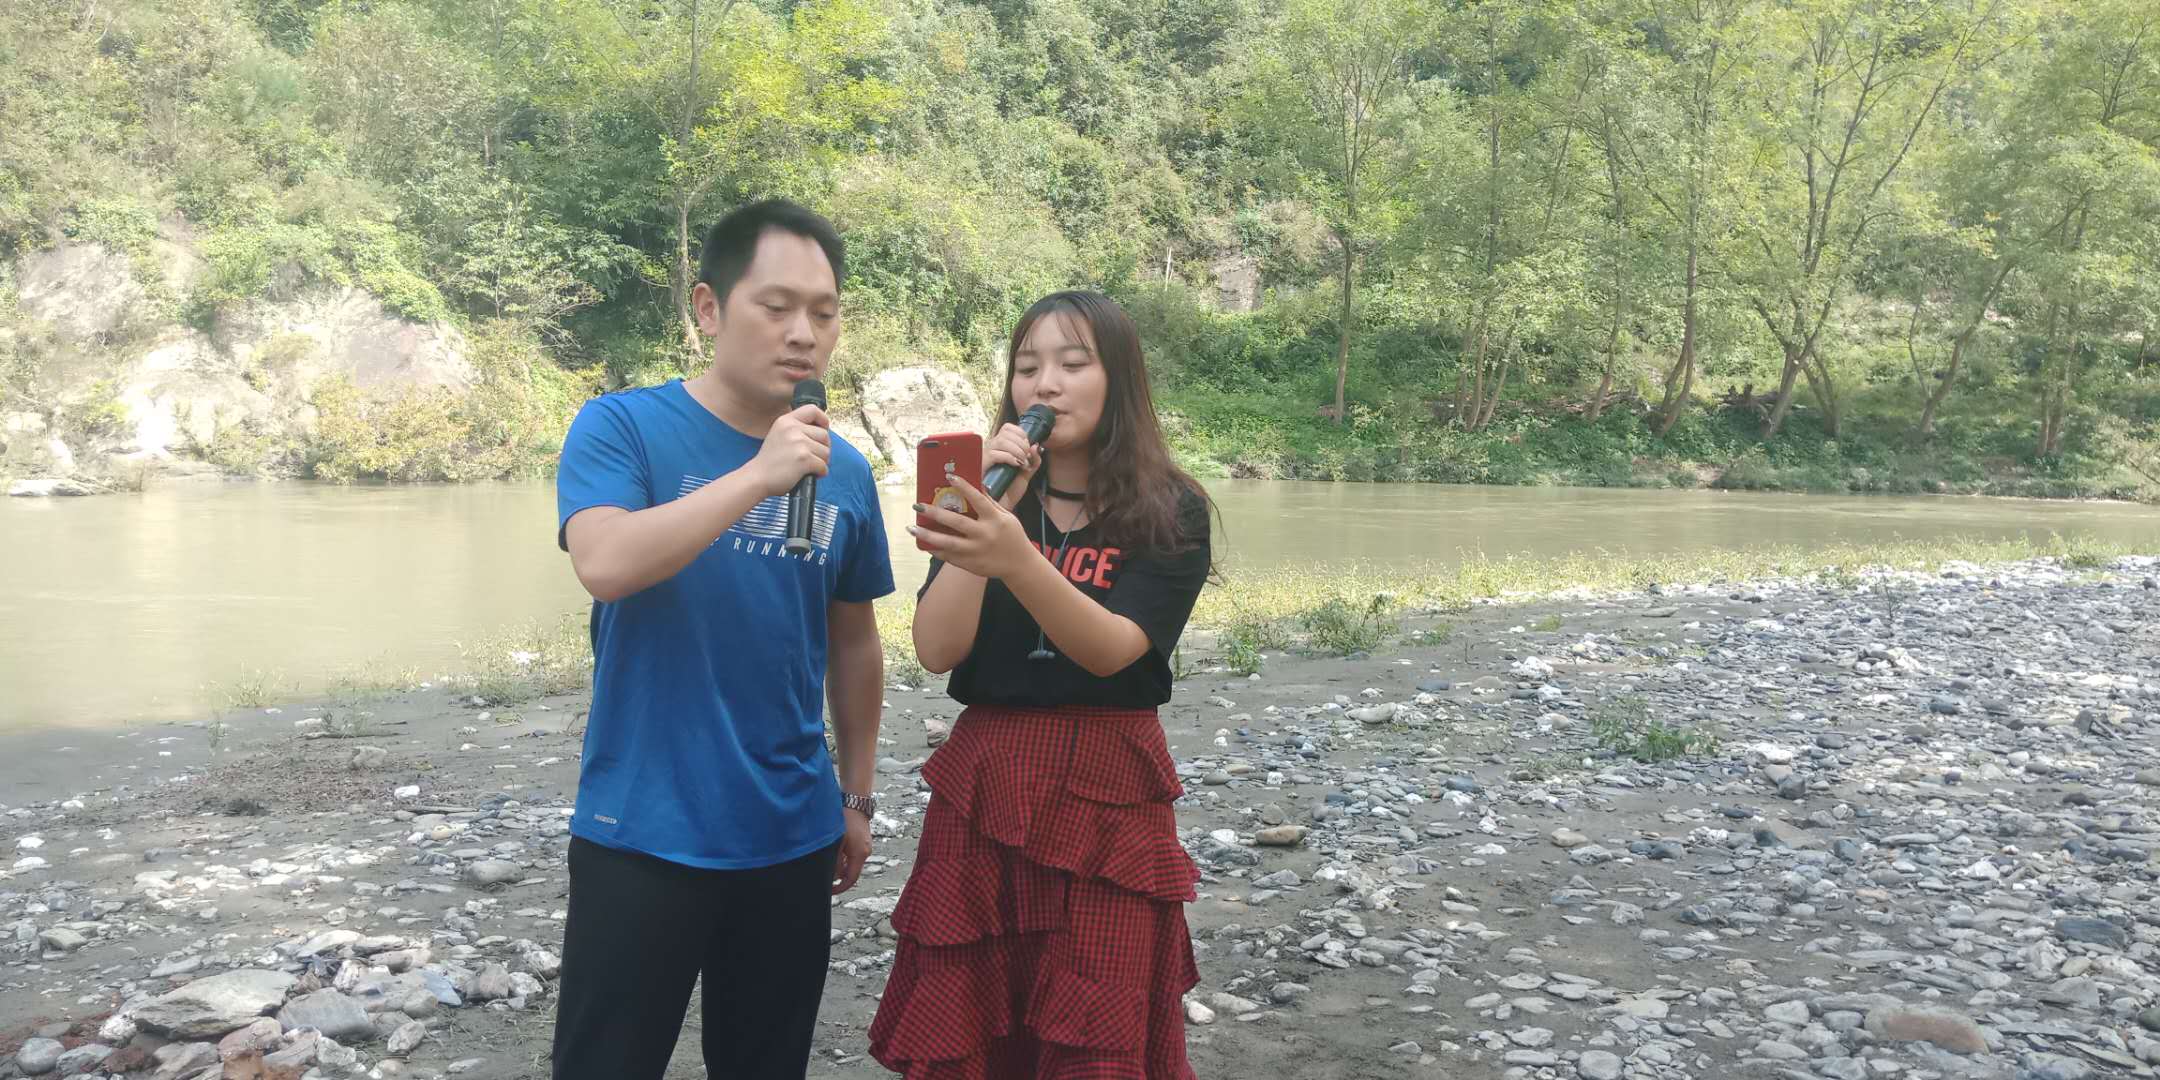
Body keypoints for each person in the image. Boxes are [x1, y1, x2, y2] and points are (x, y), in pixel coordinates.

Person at [550, 199, 893, 1080]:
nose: (803, 334)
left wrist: (856, 798)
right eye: (775, 307)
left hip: (790, 833)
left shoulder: (845, 471)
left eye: (824, 313)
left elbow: (854, 642)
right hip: (641, 830)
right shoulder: (621, 426)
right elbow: (606, 563)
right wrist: (757, 476)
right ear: (708, 308)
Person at [868, 291, 1211, 1079]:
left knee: (1098, 1013)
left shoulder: (1170, 509)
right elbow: (937, 648)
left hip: (1112, 783)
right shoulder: (988, 498)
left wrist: (1017, 560)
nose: (1044, 385)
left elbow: (1113, 651)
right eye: (1027, 368)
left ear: (1118, 378)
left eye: (1072, 364)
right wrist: (986, 514)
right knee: (976, 1012)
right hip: (986, 777)